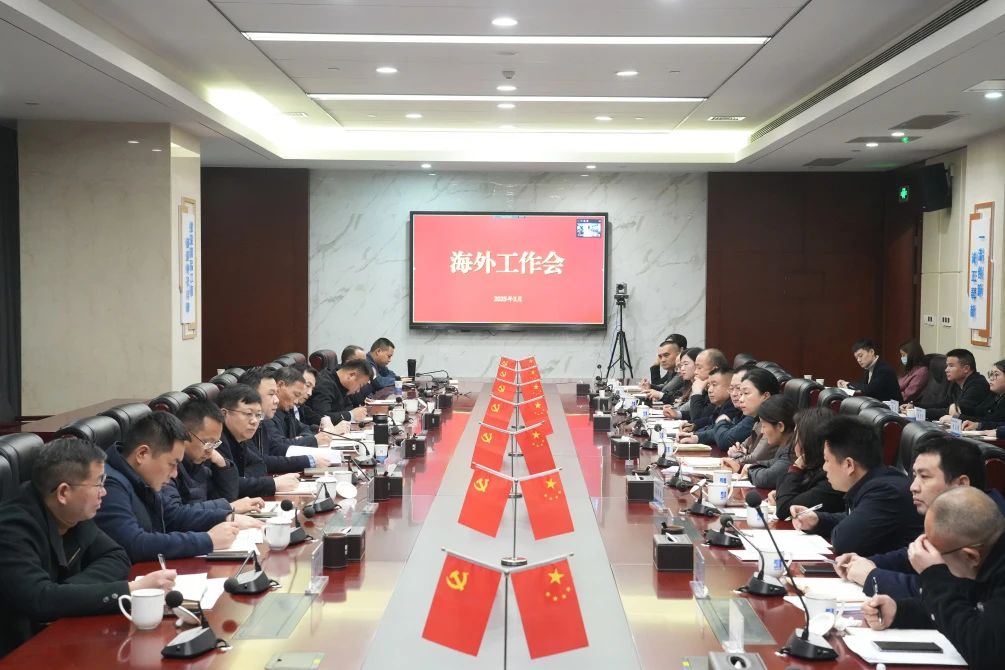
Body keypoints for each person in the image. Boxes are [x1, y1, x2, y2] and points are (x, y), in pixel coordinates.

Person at [0, 437, 176, 658]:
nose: (104, 492)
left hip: (56, 639)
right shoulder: (11, 529)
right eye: (98, 484)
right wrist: (131, 589)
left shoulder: (71, 512)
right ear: (63, 493)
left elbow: (117, 556)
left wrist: (63, 592)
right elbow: (39, 600)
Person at [836, 436, 1004, 599]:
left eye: (924, 477)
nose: (913, 487)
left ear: (961, 484)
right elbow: (916, 555)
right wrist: (865, 562)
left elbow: (953, 594)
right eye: (915, 475)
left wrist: (872, 576)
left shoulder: (989, 527)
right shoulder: (955, 514)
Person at [862, 487, 1005, 668]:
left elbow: (985, 651)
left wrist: (933, 575)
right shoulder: (990, 558)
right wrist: (900, 611)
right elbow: (970, 604)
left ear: (971, 556)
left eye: (936, 553)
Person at [95, 412, 251, 562]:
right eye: (172, 464)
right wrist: (208, 540)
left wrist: (225, 516)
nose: (175, 474)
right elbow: (135, 543)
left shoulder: (142, 478)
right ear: (142, 454)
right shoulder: (108, 485)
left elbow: (172, 518)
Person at [791, 415, 921, 556]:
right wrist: (817, 519)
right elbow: (853, 518)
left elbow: (844, 541)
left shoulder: (886, 492)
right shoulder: (876, 480)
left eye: (827, 460)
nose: (824, 467)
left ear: (849, 465)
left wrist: (837, 528)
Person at [163, 399, 263, 515]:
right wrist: (228, 507)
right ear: (184, 434)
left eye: (215, 443)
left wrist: (222, 464)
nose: (210, 450)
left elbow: (227, 498)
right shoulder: (169, 467)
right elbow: (176, 514)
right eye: (207, 442)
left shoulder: (200, 465)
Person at [217, 384, 301, 498]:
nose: (254, 421)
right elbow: (227, 486)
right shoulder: (215, 441)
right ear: (224, 414)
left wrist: (242, 479)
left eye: (258, 415)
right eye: (248, 414)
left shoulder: (241, 437)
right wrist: (273, 484)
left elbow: (260, 465)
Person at [240, 368, 329, 472]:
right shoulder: (242, 428)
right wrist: (309, 460)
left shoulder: (261, 421)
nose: (276, 400)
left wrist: (309, 457)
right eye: (271, 394)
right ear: (251, 395)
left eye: (275, 394)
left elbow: (276, 448)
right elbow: (260, 461)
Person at [768, 408, 844, 520]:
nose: (794, 441)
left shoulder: (829, 479)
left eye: (797, 435)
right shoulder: (813, 468)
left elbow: (784, 510)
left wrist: (795, 469)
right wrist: (781, 494)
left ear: (809, 441)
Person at [719, 367, 780, 468]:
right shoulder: (757, 421)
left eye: (746, 393)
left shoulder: (774, 423)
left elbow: (755, 459)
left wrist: (735, 458)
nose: (741, 399)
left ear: (766, 396)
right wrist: (737, 453)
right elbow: (740, 448)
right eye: (741, 394)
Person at [907, 348, 991, 419]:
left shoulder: (978, 385)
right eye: (947, 366)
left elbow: (954, 411)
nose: (946, 370)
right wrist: (915, 406)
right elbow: (944, 404)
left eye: (951, 366)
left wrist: (918, 412)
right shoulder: (956, 383)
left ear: (966, 369)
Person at [741, 395, 797, 489]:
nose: (762, 431)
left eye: (764, 426)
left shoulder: (793, 449)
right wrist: (744, 467)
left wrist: (749, 471)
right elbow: (773, 463)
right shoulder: (785, 444)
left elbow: (768, 478)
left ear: (780, 426)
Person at [681, 368, 742, 445]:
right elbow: (710, 420)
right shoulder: (721, 404)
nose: (709, 390)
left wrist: (696, 436)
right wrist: (694, 425)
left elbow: (721, 433)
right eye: (708, 385)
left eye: (714, 385)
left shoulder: (732, 406)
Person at [306, 358, 374, 424]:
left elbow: (348, 409)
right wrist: (351, 415)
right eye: (360, 385)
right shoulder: (324, 384)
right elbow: (321, 417)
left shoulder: (343, 386)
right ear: (352, 375)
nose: (358, 390)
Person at [837, 339, 901, 402]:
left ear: (871, 352)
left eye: (860, 356)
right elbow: (862, 386)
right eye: (856, 358)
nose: (858, 360)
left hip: (890, 407)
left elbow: (870, 389)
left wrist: (848, 384)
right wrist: (845, 385)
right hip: (876, 405)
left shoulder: (884, 369)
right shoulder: (868, 368)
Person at [960, 359, 1005, 430]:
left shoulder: (978, 383)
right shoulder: (994, 394)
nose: (991, 378)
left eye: (996, 374)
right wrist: (958, 409)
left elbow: (992, 420)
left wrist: (958, 417)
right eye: (991, 374)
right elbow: (977, 412)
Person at [661, 347, 700, 415]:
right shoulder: (689, 383)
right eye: (681, 366)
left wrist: (676, 410)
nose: (681, 369)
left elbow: (695, 412)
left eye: (685, 364)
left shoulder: (703, 386)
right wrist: (675, 407)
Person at [898, 339, 929, 404]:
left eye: (903, 355)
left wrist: (891, 394)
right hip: (897, 401)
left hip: (906, 404)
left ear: (911, 354)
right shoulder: (909, 369)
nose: (902, 358)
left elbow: (907, 395)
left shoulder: (922, 372)